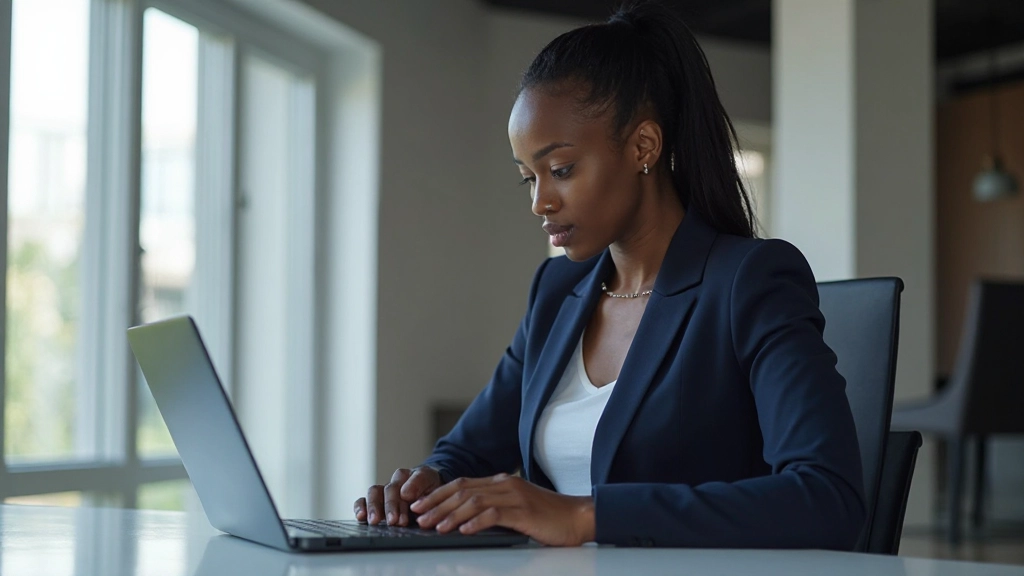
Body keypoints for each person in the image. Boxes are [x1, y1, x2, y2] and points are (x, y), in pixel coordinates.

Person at [354, 0, 865, 549]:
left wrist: (584, 517)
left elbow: (826, 497)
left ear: (643, 146)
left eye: (562, 169)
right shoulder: (555, 294)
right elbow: (468, 452)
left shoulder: (750, 281)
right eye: (529, 178)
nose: (540, 202)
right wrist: (424, 486)